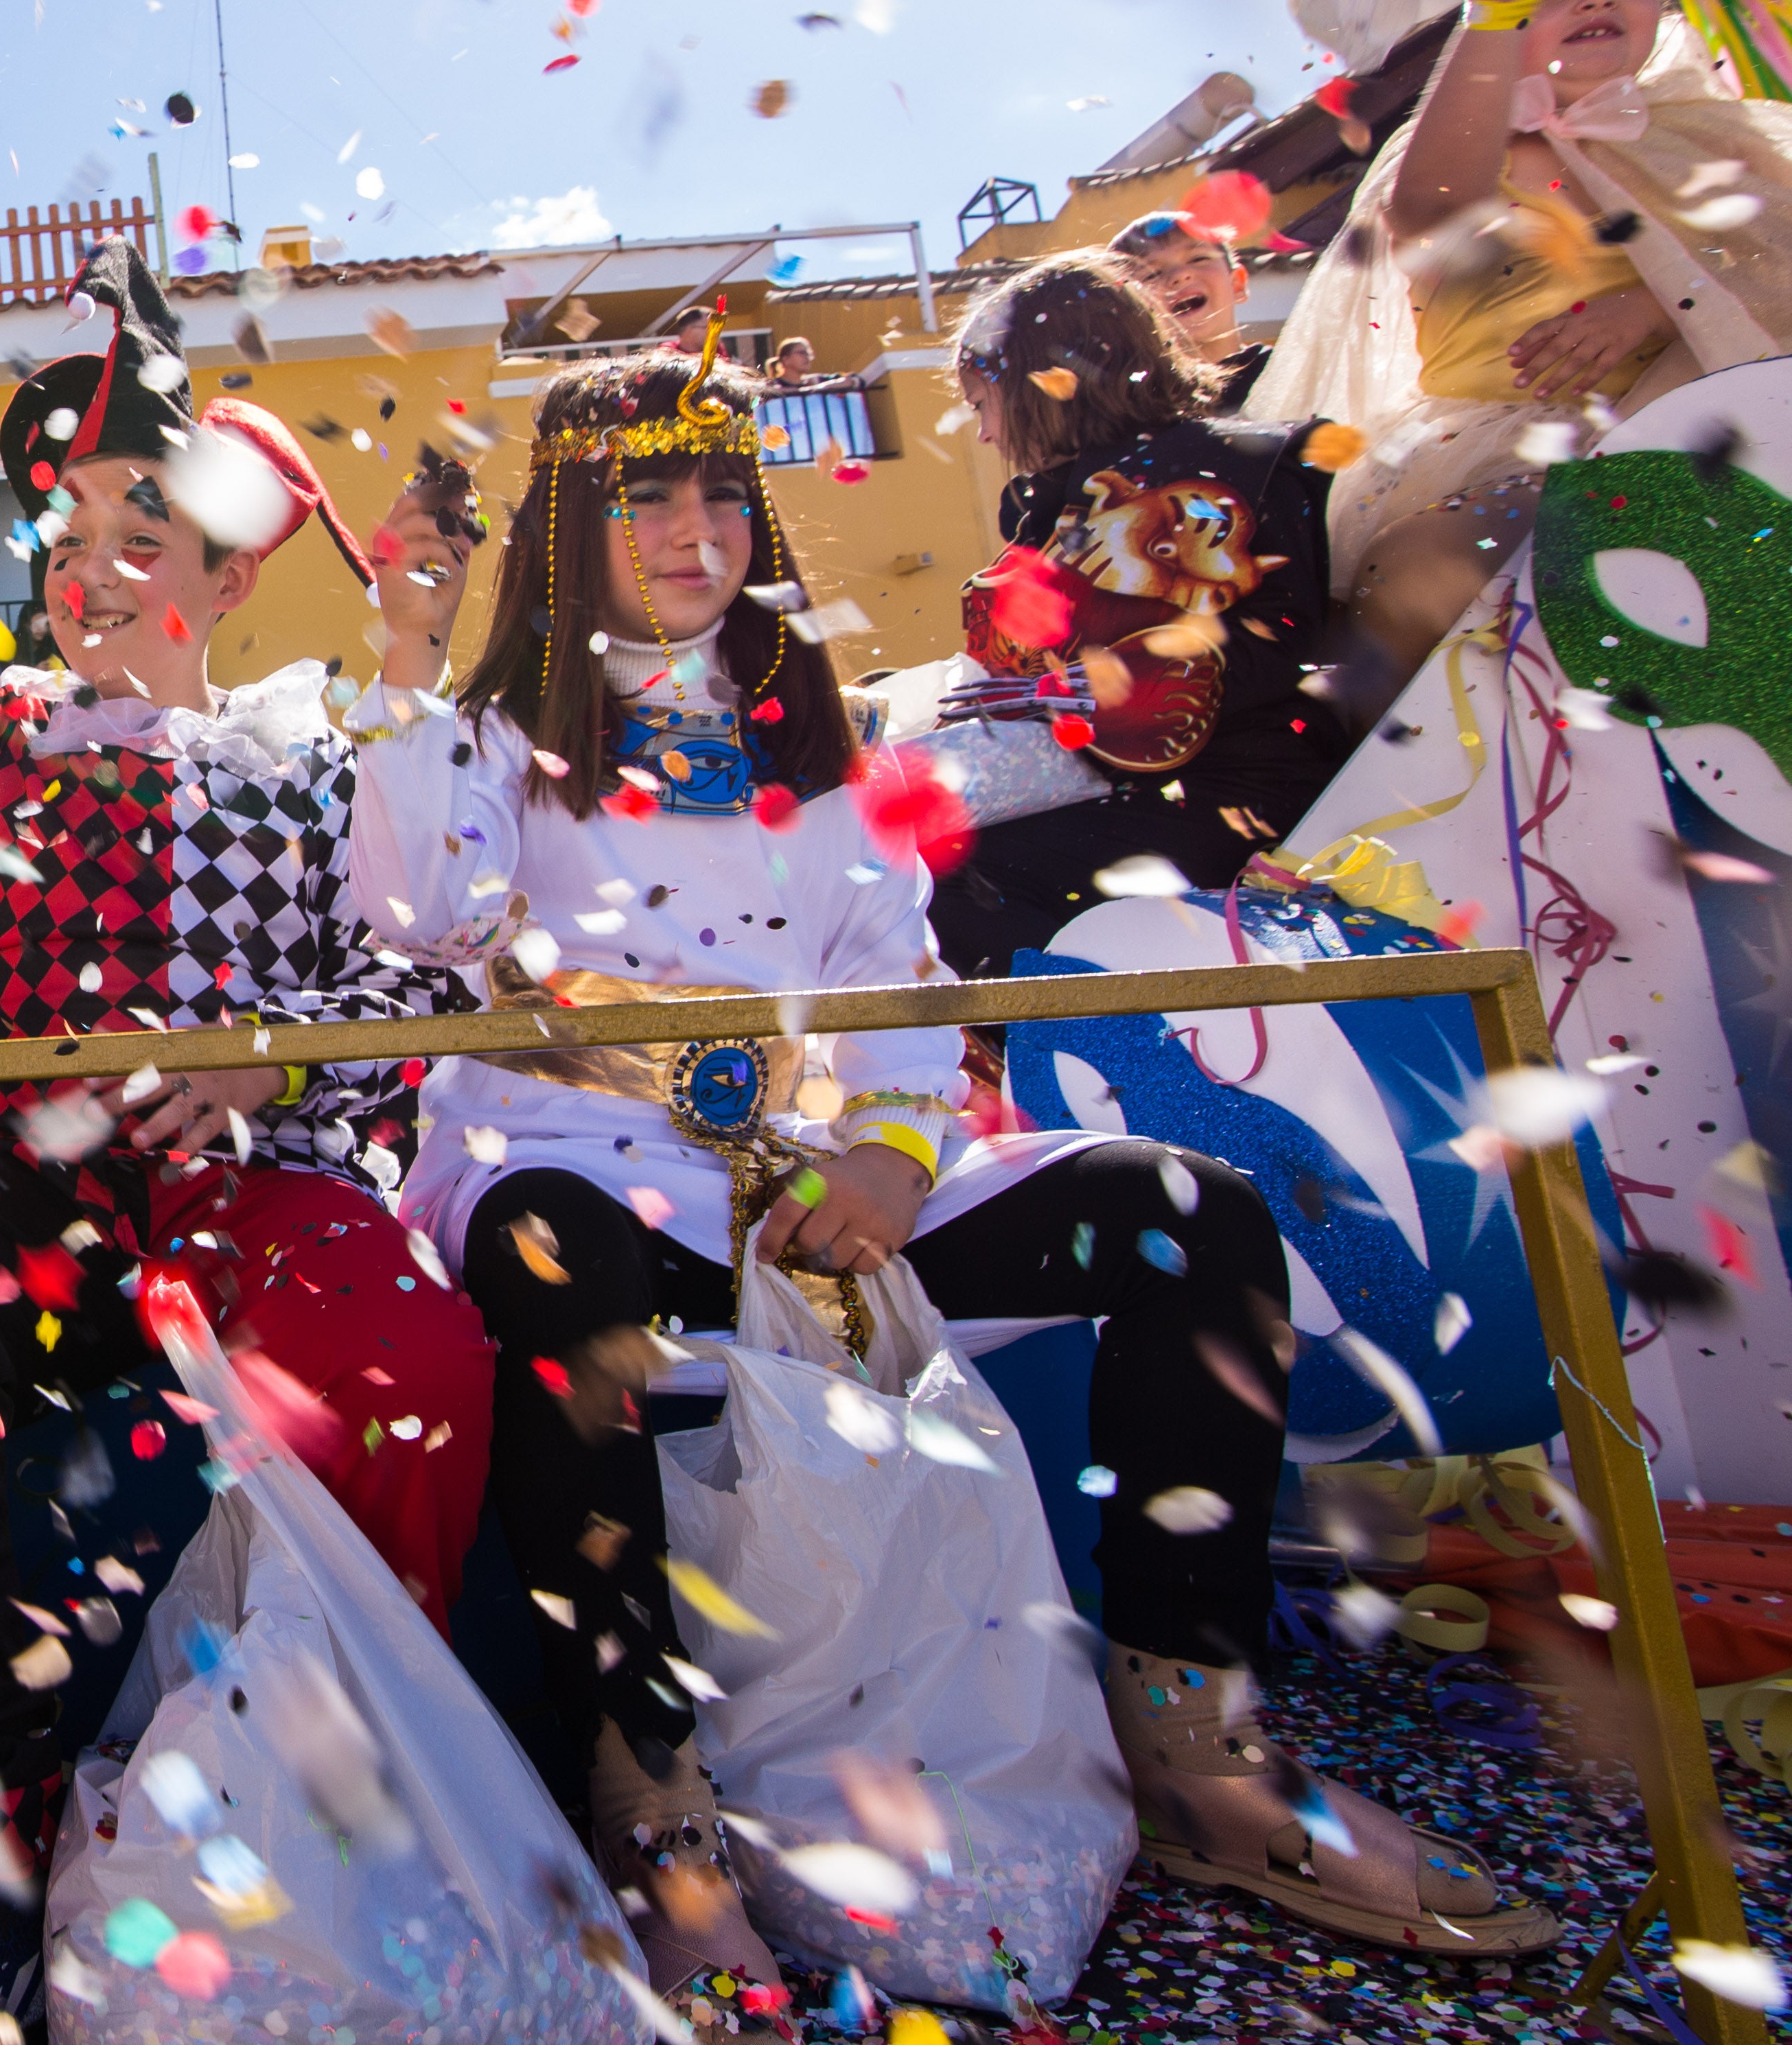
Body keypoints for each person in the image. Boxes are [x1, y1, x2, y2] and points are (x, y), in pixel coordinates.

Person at [353, 354, 1553, 2017]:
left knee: (1186, 1216)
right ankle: (650, 1810)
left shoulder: (805, 728)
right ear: (571, 524)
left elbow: (900, 985)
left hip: (808, 1178)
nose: (690, 528)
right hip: (584, 1177)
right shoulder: (487, 734)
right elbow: (416, 918)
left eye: (715, 490)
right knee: (557, 1265)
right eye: (643, 496)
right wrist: (415, 655)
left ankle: (1196, 1744)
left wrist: (896, 1150)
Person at [0, 155, 491, 1800]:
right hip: (37, 1217)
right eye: (60, 532)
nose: (79, 566)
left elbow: (422, 985)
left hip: (270, 1199)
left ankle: (372, 1783)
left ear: (227, 577)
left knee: (419, 1365)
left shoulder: (318, 766)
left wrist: (272, 1059)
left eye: (135, 529)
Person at [1248, 0, 1792, 703]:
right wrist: (1493, 8)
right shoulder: (1467, 153)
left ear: (1661, 4)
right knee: (1421, 570)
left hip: (1718, 433)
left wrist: (1654, 305)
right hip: (1517, 450)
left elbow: (1775, 261)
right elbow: (1432, 220)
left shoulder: (1720, 138)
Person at [918, 255, 1353, 974]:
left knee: (942, 882)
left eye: (982, 404)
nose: (986, 434)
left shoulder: (1222, 469)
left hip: (1223, 787)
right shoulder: (1054, 496)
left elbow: (1250, 651)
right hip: (1109, 776)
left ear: (1040, 387)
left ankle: (1105, 1077)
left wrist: (1060, 697)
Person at [1107, 209, 1268, 412]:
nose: (1180, 275)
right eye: (1152, 274)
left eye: (1198, 259)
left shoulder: (1288, 370)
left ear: (1237, 284)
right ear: (1129, 315)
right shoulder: (1137, 411)